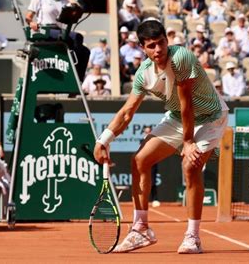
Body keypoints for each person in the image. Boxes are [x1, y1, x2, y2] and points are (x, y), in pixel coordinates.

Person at [93, 20, 228, 254]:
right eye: (151, 46)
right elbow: (127, 112)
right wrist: (103, 140)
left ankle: (192, 237)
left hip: (209, 117)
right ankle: (141, 229)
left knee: (191, 165)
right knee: (139, 160)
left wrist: (188, 142)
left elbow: (187, 104)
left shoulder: (181, 58)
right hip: (177, 116)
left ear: (168, 40)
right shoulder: (143, 74)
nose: (158, 50)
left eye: (161, 43)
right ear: (142, 48)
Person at [140, 126, 160, 207]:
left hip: (153, 164)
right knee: (143, 182)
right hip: (144, 164)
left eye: (149, 132)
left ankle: (154, 199)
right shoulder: (142, 141)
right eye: (146, 132)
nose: (148, 133)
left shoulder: (154, 140)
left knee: (153, 182)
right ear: (144, 132)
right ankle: (144, 199)